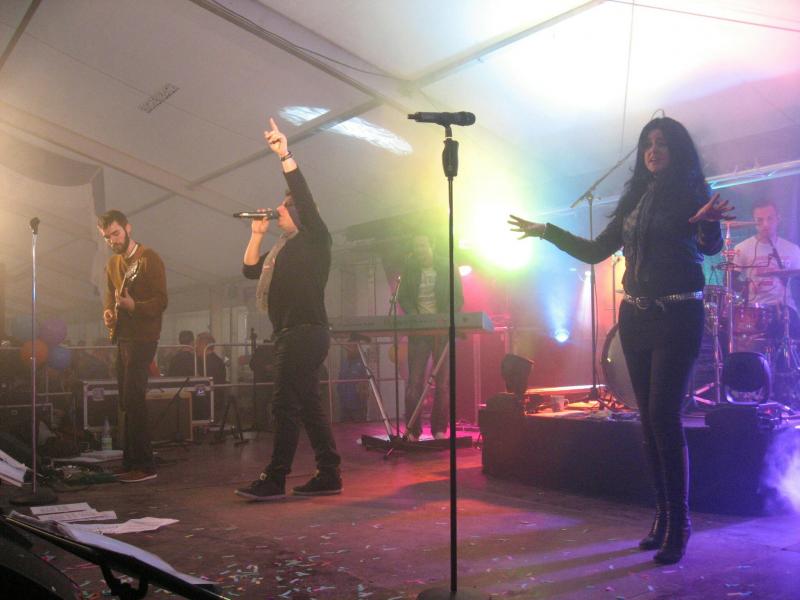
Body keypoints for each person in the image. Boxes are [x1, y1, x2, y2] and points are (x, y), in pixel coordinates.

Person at [509, 117, 732, 564]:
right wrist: (548, 231)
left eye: (662, 144)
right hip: (636, 317)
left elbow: (709, 248)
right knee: (647, 422)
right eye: (648, 144)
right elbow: (596, 251)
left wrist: (709, 226)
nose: (653, 150)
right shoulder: (634, 199)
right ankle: (662, 516)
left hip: (678, 315)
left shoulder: (693, 194)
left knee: (664, 417)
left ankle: (680, 522)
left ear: (677, 150)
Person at [235, 117, 341, 501]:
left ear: (301, 214)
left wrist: (284, 154)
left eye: (288, 206)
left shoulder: (316, 240)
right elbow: (250, 270)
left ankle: (276, 477)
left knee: (284, 405)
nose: (281, 209)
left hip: (304, 332)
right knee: (309, 407)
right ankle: (329, 472)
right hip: (292, 334)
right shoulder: (282, 250)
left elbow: (304, 196)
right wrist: (256, 235)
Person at [98, 209, 167, 483]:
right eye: (107, 237)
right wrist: (108, 313)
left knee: (135, 399)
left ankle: (145, 465)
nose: (112, 240)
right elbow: (109, 295)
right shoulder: (113, 263)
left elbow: (161, 301)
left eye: (115, 233)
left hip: (144, 337)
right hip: (123, 337)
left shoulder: (149, 258)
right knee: (126, 401)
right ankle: (130, 462)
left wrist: (134, 306)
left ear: (128, 228)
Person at [397, 234, 464, 441]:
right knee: (414, 381)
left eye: (422, 245)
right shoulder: (410, 268)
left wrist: (444, 317)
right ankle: (412, 430)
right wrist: (413, 314)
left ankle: (439, 429)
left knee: (442, 384)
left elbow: (458, 298)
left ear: (431, 245)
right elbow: (403, 297)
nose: (419, 250)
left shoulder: (447, 266)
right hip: (419, 331)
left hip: (442, 331)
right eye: (416, 246)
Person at [733, 199, 800, 338]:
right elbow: (729, 281)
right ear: (753, 221)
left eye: (770, 219)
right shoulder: (742, 248)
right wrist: (746, 286)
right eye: (760, 220)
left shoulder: (792, 249)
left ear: (778, 218)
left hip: (785, 308)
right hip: (755, 310)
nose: (765, 224)